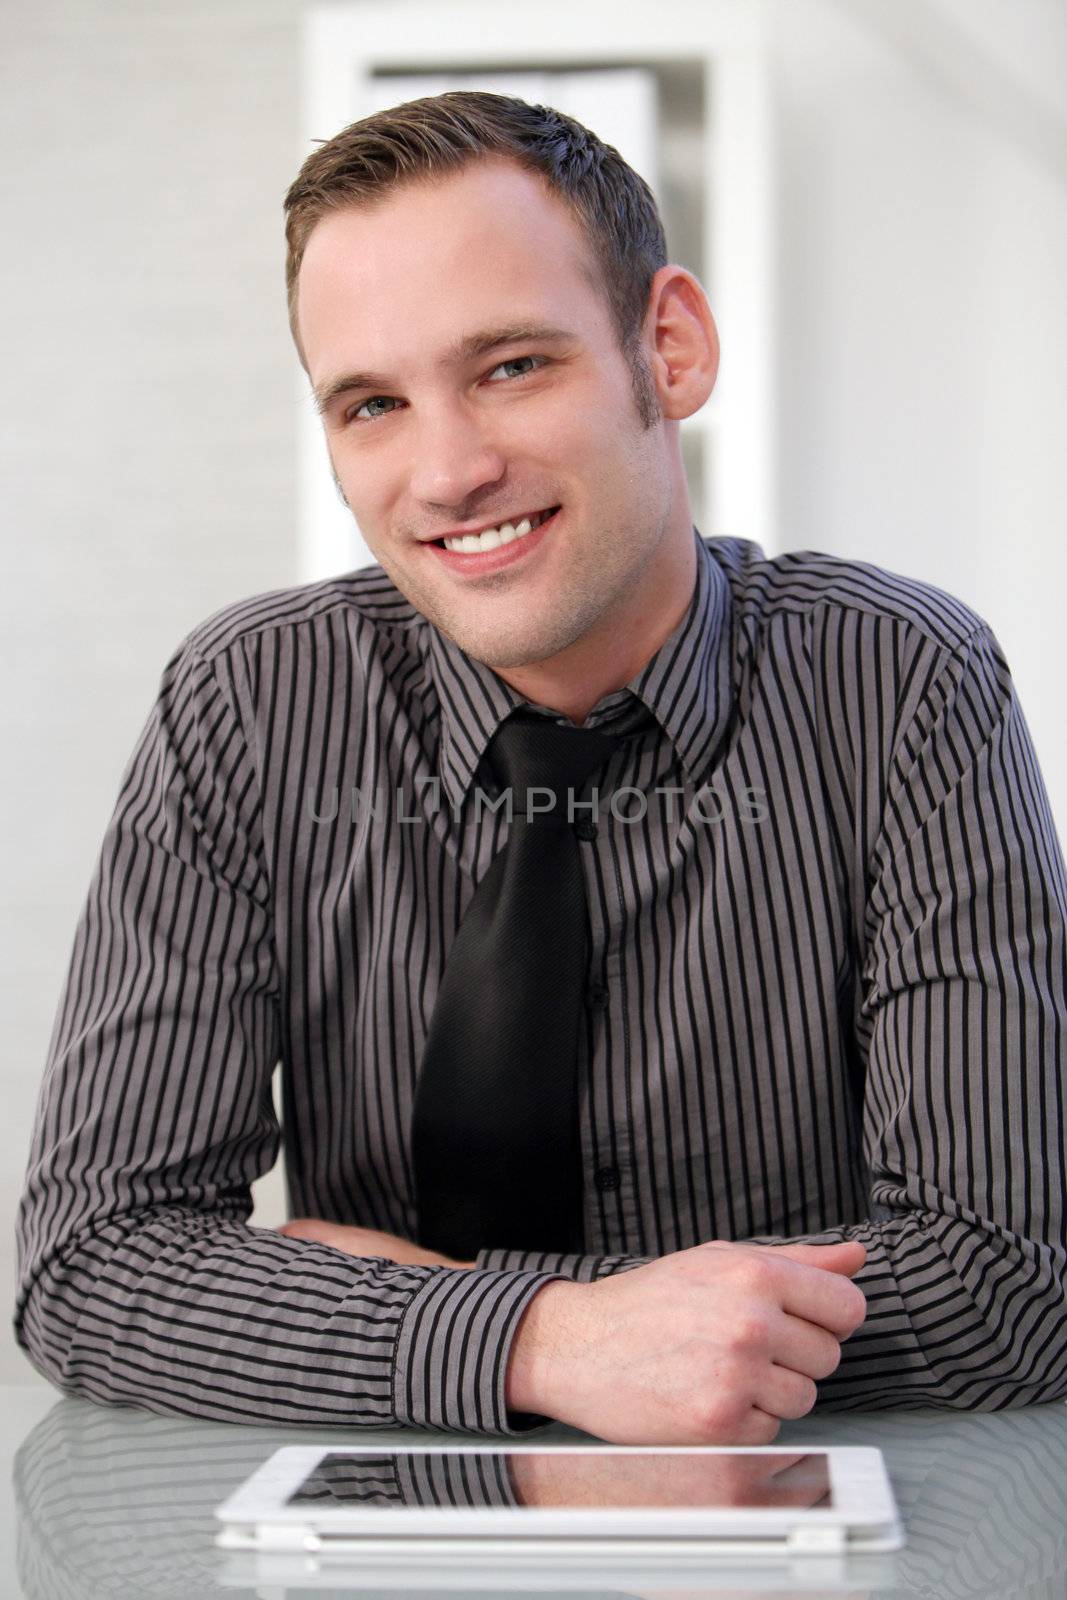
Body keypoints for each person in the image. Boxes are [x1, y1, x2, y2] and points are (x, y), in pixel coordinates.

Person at [14, 92, 1066, 1443]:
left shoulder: (904, 681)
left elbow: (1009, 1281)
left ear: (668, 350)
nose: (449, 470)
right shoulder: (247, 703)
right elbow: (96, 1265)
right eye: (375, 402)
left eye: (512, 365)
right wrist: (548, 1344)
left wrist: (427, 1312)